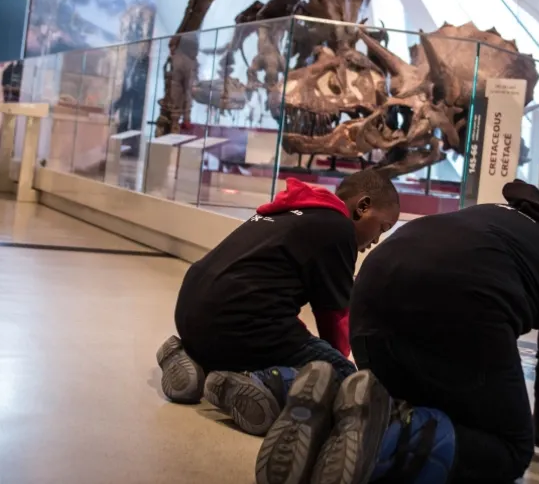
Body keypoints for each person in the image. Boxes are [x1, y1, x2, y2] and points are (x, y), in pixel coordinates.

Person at [256, 180, 539, 484]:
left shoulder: (489, 213)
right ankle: (387, 443)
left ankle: (284, 390)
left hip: (370, 295)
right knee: (509, 449)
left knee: (383, 407)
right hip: (457, 308)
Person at [156, 171, 401, 437]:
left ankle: (194, 358)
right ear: (363, 206)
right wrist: (334, 366)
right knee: (342, 376)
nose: (376, 240)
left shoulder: (295, 209)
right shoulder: (339, 228)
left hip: (191, 313)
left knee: (279, 335)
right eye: (382, 228)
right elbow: (335, 318)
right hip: (236, 325)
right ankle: (264, 385)